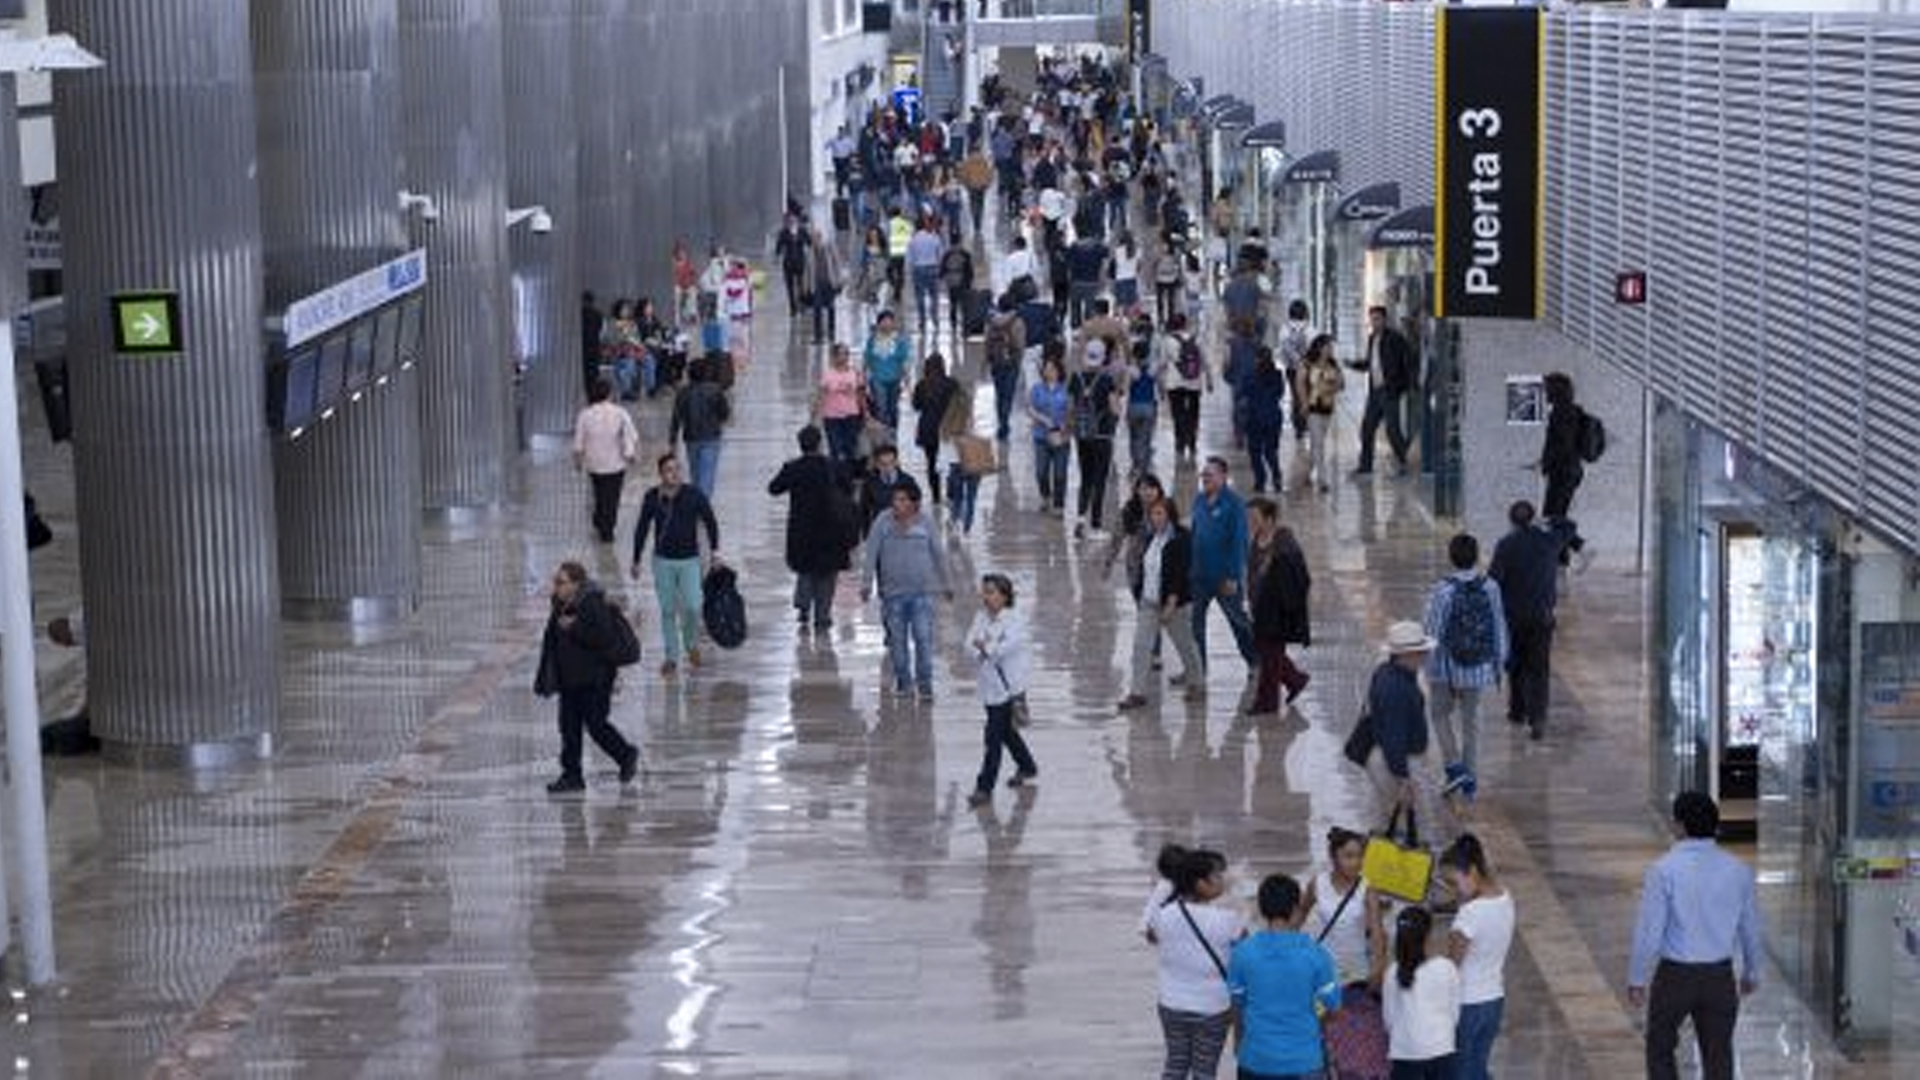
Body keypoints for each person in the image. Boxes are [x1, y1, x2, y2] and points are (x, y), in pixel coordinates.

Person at [1628, 791, 1764, 1080]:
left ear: (1679, 825)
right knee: (1718, 1056)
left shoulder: (1663, 870)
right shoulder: (1738, 870)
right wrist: (1752, 972)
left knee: (1660, 1048)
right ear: (1715, 825)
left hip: (1675, 976)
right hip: (1719, 976)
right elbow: (1750, 927)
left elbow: (1649, 930)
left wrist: (1637, 978)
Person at [533, 561, 641, 794]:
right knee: (568, 728)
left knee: (596, 725)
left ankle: (625, 754)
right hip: (569, 679)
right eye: (556, 582)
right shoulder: (560, 604)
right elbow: (552, 639)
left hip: (595, 679)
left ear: (576, 584)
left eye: (561, 582)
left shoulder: (592, 603)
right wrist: (549, 674)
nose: (556, 587)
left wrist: (574, 627)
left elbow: (602, 638)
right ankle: (572, 776)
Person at [1227, 873, 1343, 1080]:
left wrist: (1238, 1041)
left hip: (1255, 1059)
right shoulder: (1315, 954)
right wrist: (1314, 1022)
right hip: (1304, 1061)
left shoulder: (1242, 952)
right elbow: (1334, 1009)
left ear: (1261, 909)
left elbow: (1237, 1006)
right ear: (1295, 908)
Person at [1142, 844, 1244, 1080]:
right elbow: (1245, 951)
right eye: (1216, 876)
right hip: (1213, 1008)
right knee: (1205, 1071)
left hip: (1171, 1004)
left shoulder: (1163, 914)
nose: (1222, 880)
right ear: (1200, 884)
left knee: (1174, 1066)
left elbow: (1151, 935)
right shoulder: (1227, 919)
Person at [1422, 533, 1509, 801]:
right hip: (1478, 669)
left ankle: (1453, 766)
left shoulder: (1443, 590)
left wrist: (1428, 668)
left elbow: (1432, 632)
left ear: (1451, 557)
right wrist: (1498, 664)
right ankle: (1471, 781)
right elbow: (1498, 625)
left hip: (1446, 670)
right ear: (1476, 555)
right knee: (1472, 724)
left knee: (1438, 715)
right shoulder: (1490, 586)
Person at [1487, 500, 1573, 740]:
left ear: (1512, 521)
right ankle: (1538, 718)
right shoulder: (1549, 541)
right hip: (1542, 616)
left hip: (1513, 616)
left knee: (1516, 664)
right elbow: (1570, 526)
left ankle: (1517, 710)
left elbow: (1494, 579)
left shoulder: (1506, 545)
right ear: (1532, 518)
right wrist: (1548, 520)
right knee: (1539, 667)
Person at [630, 453, 720, 679]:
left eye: (677, 469)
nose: (674, 474)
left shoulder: (693, 495)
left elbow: (710, 521)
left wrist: (716, 552)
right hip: (662, 561)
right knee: (668, 610)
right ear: (660, 474)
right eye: (669, 470)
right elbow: (642, 527)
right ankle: (671, 656)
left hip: (690, 560)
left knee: (693, 605)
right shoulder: (653, 497)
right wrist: (636, 559)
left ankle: (690, 644)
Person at [862, 485, 952, 701]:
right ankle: (904, 682)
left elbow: (938, 553)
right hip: (892, 595)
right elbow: (871, 553)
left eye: (903, 500)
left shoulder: (925, 522)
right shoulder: (882, 521)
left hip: (921, 594)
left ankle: (925, 685)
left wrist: (946, 583)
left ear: (914, 503)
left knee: (923, 640)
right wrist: (866, 583)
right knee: (897, 644)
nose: (897, 504)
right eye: (895, 500)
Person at [1118, 498, 1206, 711]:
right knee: (1141, 647)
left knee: (1185, 645)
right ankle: (1137, 693)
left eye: (1159, 513)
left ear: (1169, 515)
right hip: (1149, 602)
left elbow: (1180, 572)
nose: (1155, 518)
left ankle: (1197, 683)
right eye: (1152, 514)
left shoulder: (1181, 538)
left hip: (1174, 603)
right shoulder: (1151, 538)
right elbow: (1144, 568)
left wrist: (1171, 602)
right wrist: (1140, 593)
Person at [1440, 834, 1515, 1080]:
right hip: (1494, 999)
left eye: (1453, 882)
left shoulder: (1469, 914)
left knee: (1460, 1072)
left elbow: (1452, 967)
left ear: (1472, 871)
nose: (1452, 891)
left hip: (1466, 1003)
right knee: (1478, 1068)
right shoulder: (1505, 898)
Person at [768, 425, 856, 633]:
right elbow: (849, 489)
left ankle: (804, 604)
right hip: (832, 529)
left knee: (805, 568)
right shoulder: (834, 466)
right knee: (827, 574)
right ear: (820, 443)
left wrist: (787, 472)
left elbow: (774, 488)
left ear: (800, 445)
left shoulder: (793, 468)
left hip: (802, 529)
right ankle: (823, 615)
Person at [1365, 621, 1447, 836]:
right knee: (1415, 826)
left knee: (1387, 820)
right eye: (1421, 653)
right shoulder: (1397, 689)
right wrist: (1403, 778)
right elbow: (1394, 736)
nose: (1425, 657)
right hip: (1401, 762)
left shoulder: (1386, 672)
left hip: (1388, 757)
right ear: (1406, 655)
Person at [964, 573, 1038, 807]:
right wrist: (981, 649)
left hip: (1010, 689)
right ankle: (1027, 766)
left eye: (991, 592)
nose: (986, 597)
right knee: (1006, 731)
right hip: (989, 687)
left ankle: (983, 788)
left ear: (1005, 596)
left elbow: (1004, 648)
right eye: (984, 592)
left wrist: (984, 647)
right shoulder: (980, 617)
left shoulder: (1015, 620)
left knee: (993, 737)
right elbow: (968, 645)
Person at [1189, 457, 1257, 677]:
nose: (1205, 478)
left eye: (1210, 474)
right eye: (1204, 474)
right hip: (1199, 576)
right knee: (1195, 626)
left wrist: (1233, 576)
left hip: (1224, 577)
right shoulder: (1199, 500)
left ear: (1223, 477)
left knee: (1238, 622)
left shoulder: (1234, 504)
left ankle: (1256, 661)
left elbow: (1239, 542)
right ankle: (1199, 669)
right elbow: (1195, 534)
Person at [1246, 496, 1311, 715]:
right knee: (1269, 652)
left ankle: (1266, 702)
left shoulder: (1284, 541)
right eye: (1250, 517)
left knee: (1269, 654)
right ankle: (1295, 680)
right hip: (1259, 606)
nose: (1251, 522)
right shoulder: (1256, 538)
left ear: (1270, 518)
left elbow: (1296, 574)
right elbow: (1252, 572)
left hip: (1278, 608)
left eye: (1255, 517)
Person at [1300, 827, 1388, 987]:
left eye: (1360, 856)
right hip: (1325, 969)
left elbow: (1377, 932)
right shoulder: (1317, 884)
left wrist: (1378, 968)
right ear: (1333, 857)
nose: (1356, 863)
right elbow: (1300, 915)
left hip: (1358, 971)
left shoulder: (1367, 889)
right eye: (1348, 856)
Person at [1381, 907, 1462, 1078]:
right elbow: (1454, 1012)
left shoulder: (1392, 973)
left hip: (1405, 1051)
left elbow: (1389, 1018)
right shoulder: (1446, 967)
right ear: (1429, 935)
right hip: (1441, 1048)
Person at [1066, 338, 1123, 539]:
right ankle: (1096, 526)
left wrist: (1070, 429)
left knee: (1086, 478)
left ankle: (1081, 519)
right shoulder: (1107, 379)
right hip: (1102, 435)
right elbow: (1115, 407)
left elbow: (1070, 408)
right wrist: (1115, 417)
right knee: (1100, 481)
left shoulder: (1076, 378)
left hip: (1082, 436)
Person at [571, 378, 638, 544]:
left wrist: (578, 461)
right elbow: (630, 435)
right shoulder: (620, 412)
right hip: (616, 463)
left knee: (599, 493)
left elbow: (579, 441)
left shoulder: (585, 414)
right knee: (612, 497)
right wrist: (630, 455)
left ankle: (599, 518)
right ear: (609, 393)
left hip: (594, 463)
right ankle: (607, 529)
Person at [1351, 305, 1414, 476]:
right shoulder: (1372, 339)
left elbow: (1407, 363)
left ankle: (1403, 462)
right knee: (1367, 428)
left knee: (1392, 430)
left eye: (1377, 318)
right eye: (1371, 318)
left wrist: (1403, 386)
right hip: (1375, 391)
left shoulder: (1395, 339)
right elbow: (1371, 364)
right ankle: (1365, 466)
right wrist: (1354, 365)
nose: (1373, 322)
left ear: (1384, 320)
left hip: (1389, 390)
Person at [1540, 371, 1594, 571]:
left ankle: (1581, 548)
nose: (1545, 392)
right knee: (1557, 517)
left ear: (1556, 390)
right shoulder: (1572, 411)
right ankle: (1560, 562)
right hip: (1570, 470)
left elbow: (1561, 445)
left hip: (1563, 471)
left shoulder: (1561, 413)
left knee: (1552, 518)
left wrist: (1546, 462)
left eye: (1547, 388)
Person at [669, 354, 732, 499]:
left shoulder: (683, 392)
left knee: (695, 474)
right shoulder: (715, 390)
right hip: (711, 437)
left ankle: (697, 503)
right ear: (706, 373)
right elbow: (725, 413)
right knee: (707, 475)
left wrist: (672, 441)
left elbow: (676, 418)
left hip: (691, 438)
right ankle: (702, 506)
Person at [1295, 333, 1344, 492]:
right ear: (1319, 347)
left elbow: (1341, 384)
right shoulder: (1306, 364)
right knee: (1318, 444)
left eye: (1331, 347)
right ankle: (1322, 480)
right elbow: (1300, 384)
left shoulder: (1332, 364)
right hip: (1312, 408)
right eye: (1327, 346)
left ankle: (1305, 473)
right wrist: (1303, 404)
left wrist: (1333, 386)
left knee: (1318, 443)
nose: (1330, 349)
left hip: (1327, 408)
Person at [910, 352, 960, 505]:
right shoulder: (952, 383)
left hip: (928, 428)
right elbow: (960, 405)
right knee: (952, 462)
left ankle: (936, 496)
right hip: (948, 427)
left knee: (931, 463)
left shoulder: (921, 384)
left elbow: (916, 406)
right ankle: (951, 494)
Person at [1160, 312, 1209, 460]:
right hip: (1194, 382)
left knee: (1178, 414)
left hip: (1174, 383)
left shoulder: (1167, 341)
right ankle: (1192, 442)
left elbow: (1163, 363)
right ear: (1185, 324)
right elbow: (1204, 360)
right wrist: (1210, 380)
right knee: (1193, 414)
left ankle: (1180, 443)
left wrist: (1160, 384)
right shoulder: (1196, 339)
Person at [1028, 350, 1072, 513]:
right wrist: (1043, 419)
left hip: (1062, 438)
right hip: (1041, 436)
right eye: (1046, 369)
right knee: (1041, 472)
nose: (1049, 372)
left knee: (1060, 474)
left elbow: (1071, 411)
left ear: (1059, 371)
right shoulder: (1037, 389)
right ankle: (1045, 496)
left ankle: (1059, 504)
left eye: (1052, 369)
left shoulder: (1065, 390)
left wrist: (1064, 425)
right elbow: (1030, 408)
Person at [1242, 345, 1290, 494]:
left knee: (1255, 451)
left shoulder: (1249, 375)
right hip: (1273, 417)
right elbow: (1280, 393)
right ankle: (1276, 475)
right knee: (1271, 450)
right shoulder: (1277, 375)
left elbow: (1242, 393)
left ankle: (1260, 480)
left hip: (1254, 418)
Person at [983, 294, 1028, 442]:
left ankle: (1001, 422)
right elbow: (1021, 345)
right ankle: (1004, 424)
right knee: (1008, 395)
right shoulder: (1018, 321)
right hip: (1012, 363)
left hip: (996, 362)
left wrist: (988, 359)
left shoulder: (991, 321)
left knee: (999, 393)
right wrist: (1018, 360)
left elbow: (987, 342)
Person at [815, 343, 867, 465]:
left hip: (851, 415)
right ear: (834, 357)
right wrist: (816, 415)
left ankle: (848, 474)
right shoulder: (827, 374)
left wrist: (866, 414)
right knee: (835, 448)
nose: (843, 357)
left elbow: (860, 394)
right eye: (840, 354)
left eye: (846, 354)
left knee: (850, 447)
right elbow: (821, 394)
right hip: (831, 416)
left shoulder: (855, 373)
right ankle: (835, 475)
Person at [1123, 321, 1163, 477]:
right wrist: (1162, 395)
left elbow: (1125, 389)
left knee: (1133, 438)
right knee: (1146, 438)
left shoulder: (1131, 370)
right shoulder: (1153, 368)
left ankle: (1136, 465)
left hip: (1133, 406)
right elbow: (1160, 386)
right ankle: (1145, 466)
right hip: (1149, 406)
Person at [862, 310, 912, 433]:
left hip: (895, 379)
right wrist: (862, 377)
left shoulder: (900, 341)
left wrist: (907, 381)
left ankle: (893, 431)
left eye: (890, 321)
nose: (887, 324)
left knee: (893, 408)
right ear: (879, 324)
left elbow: (904, 361)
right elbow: (867, 359)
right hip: (877, 379)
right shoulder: (872, 340)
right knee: (881, 406)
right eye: (884, 321)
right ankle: (882, 432)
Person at [858, 442, 920, 528]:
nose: (888, 468)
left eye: (891, 463)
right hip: (881, 530)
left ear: (896, 462)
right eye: (883, 464)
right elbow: (864, 512)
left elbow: (916, 506)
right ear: (877, 464)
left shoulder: (908, 481)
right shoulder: (870, 484)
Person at [1277, 299, 1313, 441]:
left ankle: (1299, 425)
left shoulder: (1285, 329)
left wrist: (1294, 361)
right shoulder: (1309, 328)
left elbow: (1283, 349)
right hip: (1307, 368)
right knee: (1307, 393)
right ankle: (1304, 422)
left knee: (1296, 395)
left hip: (1292, 369)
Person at [805, 222, 844, 344]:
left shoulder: (829, 248)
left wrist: (839, 281)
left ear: (820, 237)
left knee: (831, 308)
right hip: (816, 284)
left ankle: (832, 333)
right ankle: (818, 336)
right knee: (817, 309)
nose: (815, 240)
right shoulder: (809, 252)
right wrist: (806, 286)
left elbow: (837, 264)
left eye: (817, 237)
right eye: (813, 238)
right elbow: (807, 271)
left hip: (829, 283)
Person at [907, 214, 947, 331]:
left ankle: (922, 320)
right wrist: (940, 269)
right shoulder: (935, 238)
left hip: (918, 269)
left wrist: (910, 271)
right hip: (932, 268)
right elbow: (941, 255)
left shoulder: (913, 239)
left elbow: (909, 257)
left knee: (920, 296)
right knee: (934, 296)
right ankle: (935, 318)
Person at [774, 214, 811, 318]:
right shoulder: (783, 232)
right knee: (790, 287)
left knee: (801, 286)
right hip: (788, 263)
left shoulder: (802, 231)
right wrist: (777, 257)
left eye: (794, 221)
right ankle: (793, 308)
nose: (792, 223)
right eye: (790, 221)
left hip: (800, 262)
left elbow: (809, 242)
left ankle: (802, 306)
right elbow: (779, 247)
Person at [720, 256, 755, 364]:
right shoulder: (727, 282)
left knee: (742, 339)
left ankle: (740, 355)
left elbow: (750, 298)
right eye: (734, 268)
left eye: (739, 268)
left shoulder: (746, 281)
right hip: (731, 316)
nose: (737, 271)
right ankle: (734, 355)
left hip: (742, 316)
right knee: (732, 339)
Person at [940, 241, 975, 338]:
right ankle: (965, 328)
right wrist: (969, 282)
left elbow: (942, 270)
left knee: (953, 303)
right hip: (963, 282)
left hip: (951, 282)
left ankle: (953, 323)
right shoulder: (965, 254)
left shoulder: (947, 254)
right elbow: (969, 270)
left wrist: (943, 279)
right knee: (964, 306)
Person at [580, 291, 605, 393]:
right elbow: (600, 330)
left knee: (586, 372)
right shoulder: (598, 314)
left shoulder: (580, 314)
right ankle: (594, 392)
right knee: (594, 372)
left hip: (584, 346)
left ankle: (587, 391)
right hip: (595, 345)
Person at [670, 241, 699, 326]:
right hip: (680, 285)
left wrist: (692, 283)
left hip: (688, 285)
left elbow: (694, 274)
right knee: (677, 297)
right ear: (678, 254)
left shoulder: (688, 263)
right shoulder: (676, 263)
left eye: (684, 253)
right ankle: (677, 320)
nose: (683, 254)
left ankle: (692, 313)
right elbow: (677, 277)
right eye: (681, 253)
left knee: (693, 292)